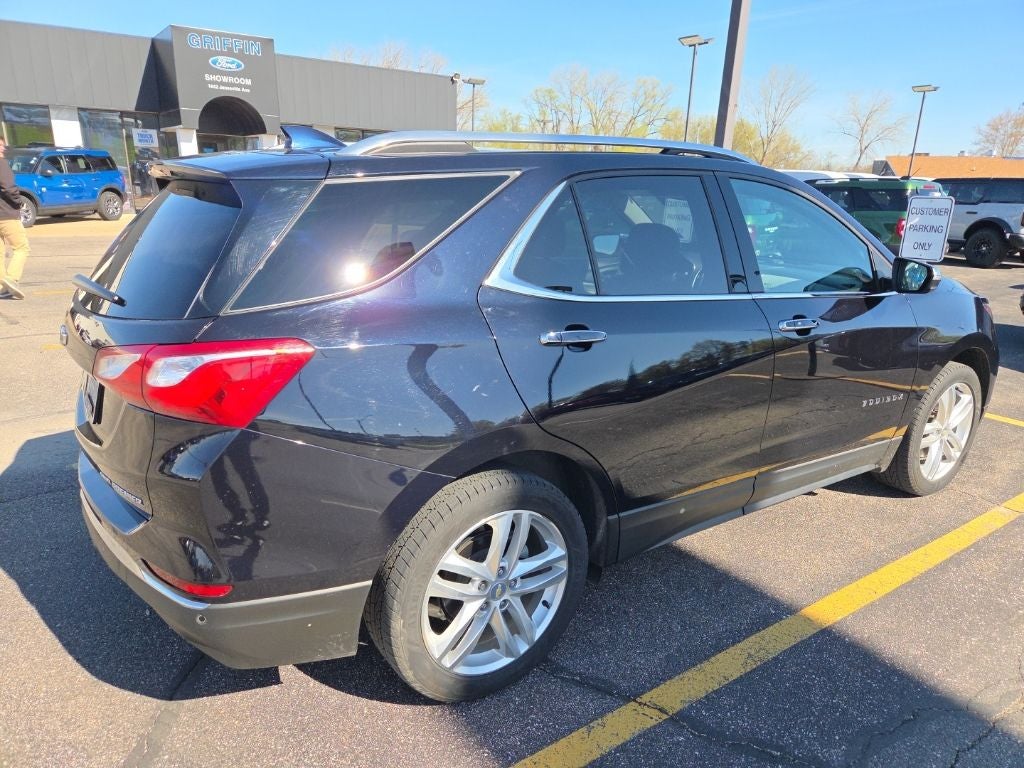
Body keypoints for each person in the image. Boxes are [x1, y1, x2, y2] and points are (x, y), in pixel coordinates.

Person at [0, 137, 30, 300]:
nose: (3, 149)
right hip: (6, 214)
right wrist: (18, 203)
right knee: (22, 247)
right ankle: (11, 280)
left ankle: (1, 286)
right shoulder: (1, 164)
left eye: (3, 145)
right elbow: (9, 188)